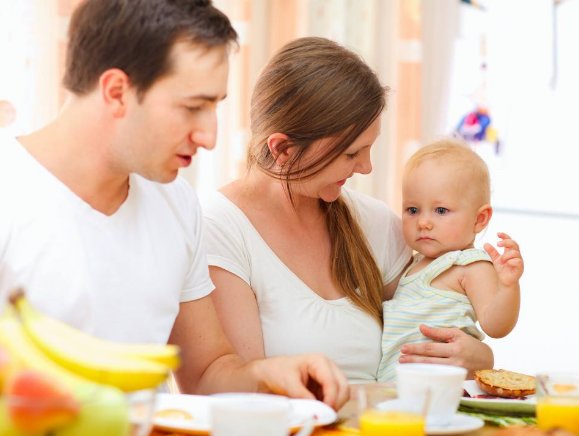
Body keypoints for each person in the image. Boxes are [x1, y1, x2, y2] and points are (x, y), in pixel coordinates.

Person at [0, 0, 348, 408]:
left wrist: (267, 376)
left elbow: (205, 372)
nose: (210, 136)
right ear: (116, 92)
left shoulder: (176, 204)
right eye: (193, 107)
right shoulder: (12, 192)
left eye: (215, 106)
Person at [201, 37, 495, 383]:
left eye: (369, 149)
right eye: (351, 154)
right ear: (282, 149)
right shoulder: (219, 229)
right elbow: (232, 389)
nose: (366, 167)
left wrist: (478, 357)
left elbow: (434, 324)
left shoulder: (376, 223)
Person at [377, 139, 524, 382]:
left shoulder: (469, 265)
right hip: (396, 387)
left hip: (440, 389)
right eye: (413, 210)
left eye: (441, 210)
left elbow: (496, 326)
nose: (423, 222)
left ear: (480, 219)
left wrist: (509, 287)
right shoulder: (412, 265)